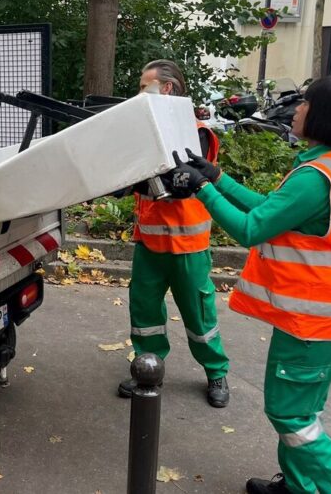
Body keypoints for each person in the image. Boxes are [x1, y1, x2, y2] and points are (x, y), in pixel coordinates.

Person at [165, 74, 331, 494]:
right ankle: (296, 487)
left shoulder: (317, 176)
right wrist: (217, 178)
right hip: (323, 316)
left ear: (326, 116)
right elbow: (269, 209)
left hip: (314, 322)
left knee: (291, 417)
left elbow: (250, 228)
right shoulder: (329, 165)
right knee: (303, 411)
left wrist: (201, 189)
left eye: (305, 104)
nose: (297, 110)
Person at [118, 59, 231, 409]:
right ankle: (148, 368)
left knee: (199, 315)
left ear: (166, 88)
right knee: (145, 311)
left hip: (188, 244)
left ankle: (216, 372)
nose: (139, 92)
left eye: (144, 85)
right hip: (151, 243)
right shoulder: (147, 129)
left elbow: (180, 181)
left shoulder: (193, 129)